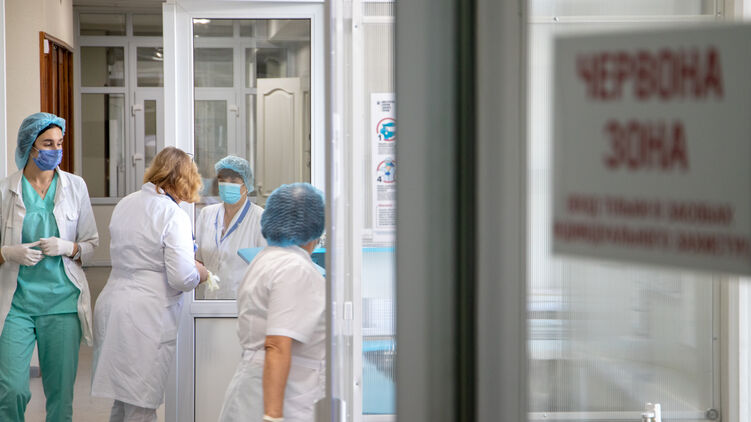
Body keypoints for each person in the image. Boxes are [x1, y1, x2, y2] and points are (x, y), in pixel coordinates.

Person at [91, 147, 209, 421]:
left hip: (114, 304)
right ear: (184, 178)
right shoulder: (172, 214)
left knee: (123, 400)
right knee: (141, 405)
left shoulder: (127, 203)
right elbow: (181, 277)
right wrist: (200, 273)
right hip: (145, 315)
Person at [0, 112, 99, 421]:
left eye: (59, 143)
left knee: (60, 396)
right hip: (17, 306)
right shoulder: (6, 190)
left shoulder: (75, 187)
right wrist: (7, 252)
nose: (56, 150)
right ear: (30, 146)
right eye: (47, 144)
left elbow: (91, 246)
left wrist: (68, 247)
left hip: (62, 305)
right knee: (11, 391)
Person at [218, 182, 326, 422]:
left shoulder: (266, 259)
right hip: (280, 400)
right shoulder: (294, 268)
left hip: (258, 388)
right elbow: (277, 344)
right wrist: (273, 417)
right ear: (315, 226)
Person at [195, 155, 266, 299]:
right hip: (209, 302)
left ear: (246, 185)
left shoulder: (260, 218)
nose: (227, 185)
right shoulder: (207, 214)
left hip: (243, 303)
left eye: (233, 181)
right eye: (222, 180)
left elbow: (265, 268)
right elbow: (198, 260)